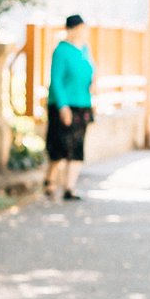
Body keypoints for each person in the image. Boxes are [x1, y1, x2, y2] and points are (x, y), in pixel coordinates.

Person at [43, 14, 95, 201]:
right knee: (60, 145)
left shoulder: (85, 49)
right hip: (63, 105)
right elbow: (56, 80)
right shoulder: (61, 50)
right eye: (80, 28)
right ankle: (49, 179)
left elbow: (91, 70)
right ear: (72, 29)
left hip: (83, 103)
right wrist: (62, 106)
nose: (83, 32)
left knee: (77, 146)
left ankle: (69, 188)